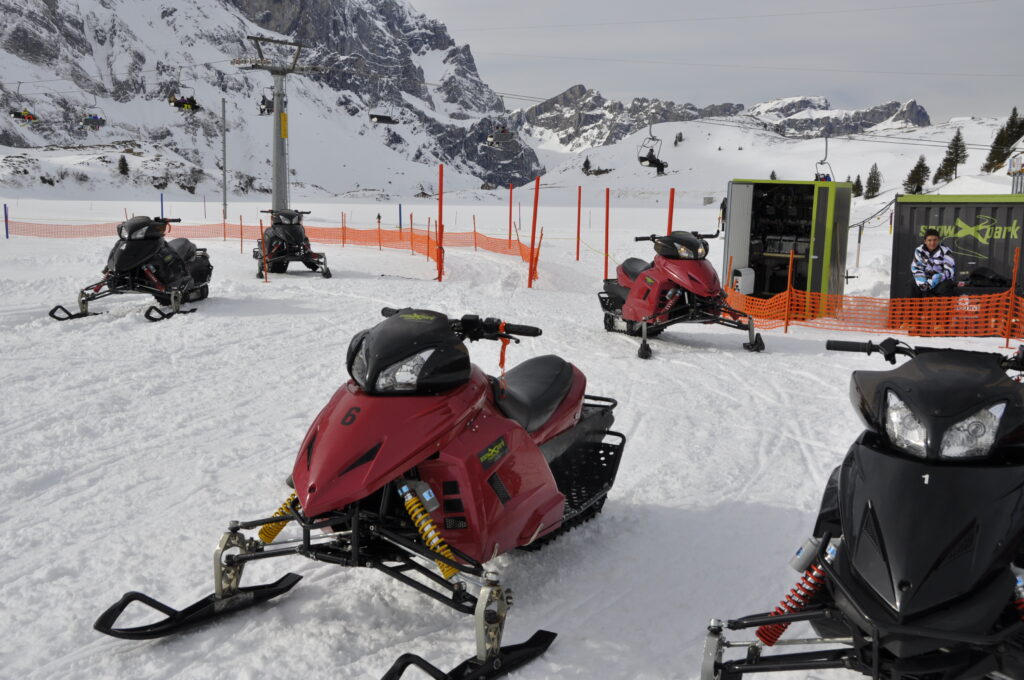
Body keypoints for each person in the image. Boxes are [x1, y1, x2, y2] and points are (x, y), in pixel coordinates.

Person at [910, 229, 955, 297]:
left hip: (940, 281)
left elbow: (949, 271)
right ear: (925, 241)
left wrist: (934, 280)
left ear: (939, 240)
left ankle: (942, 307)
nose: (932, 243)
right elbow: (916, 268)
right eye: (929, 240)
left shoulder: (946, 251)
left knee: (946, 285)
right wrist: (923, 284)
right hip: (924, 280)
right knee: (912, 284)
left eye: (935, 240)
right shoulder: (919, 251)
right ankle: (913, 307)